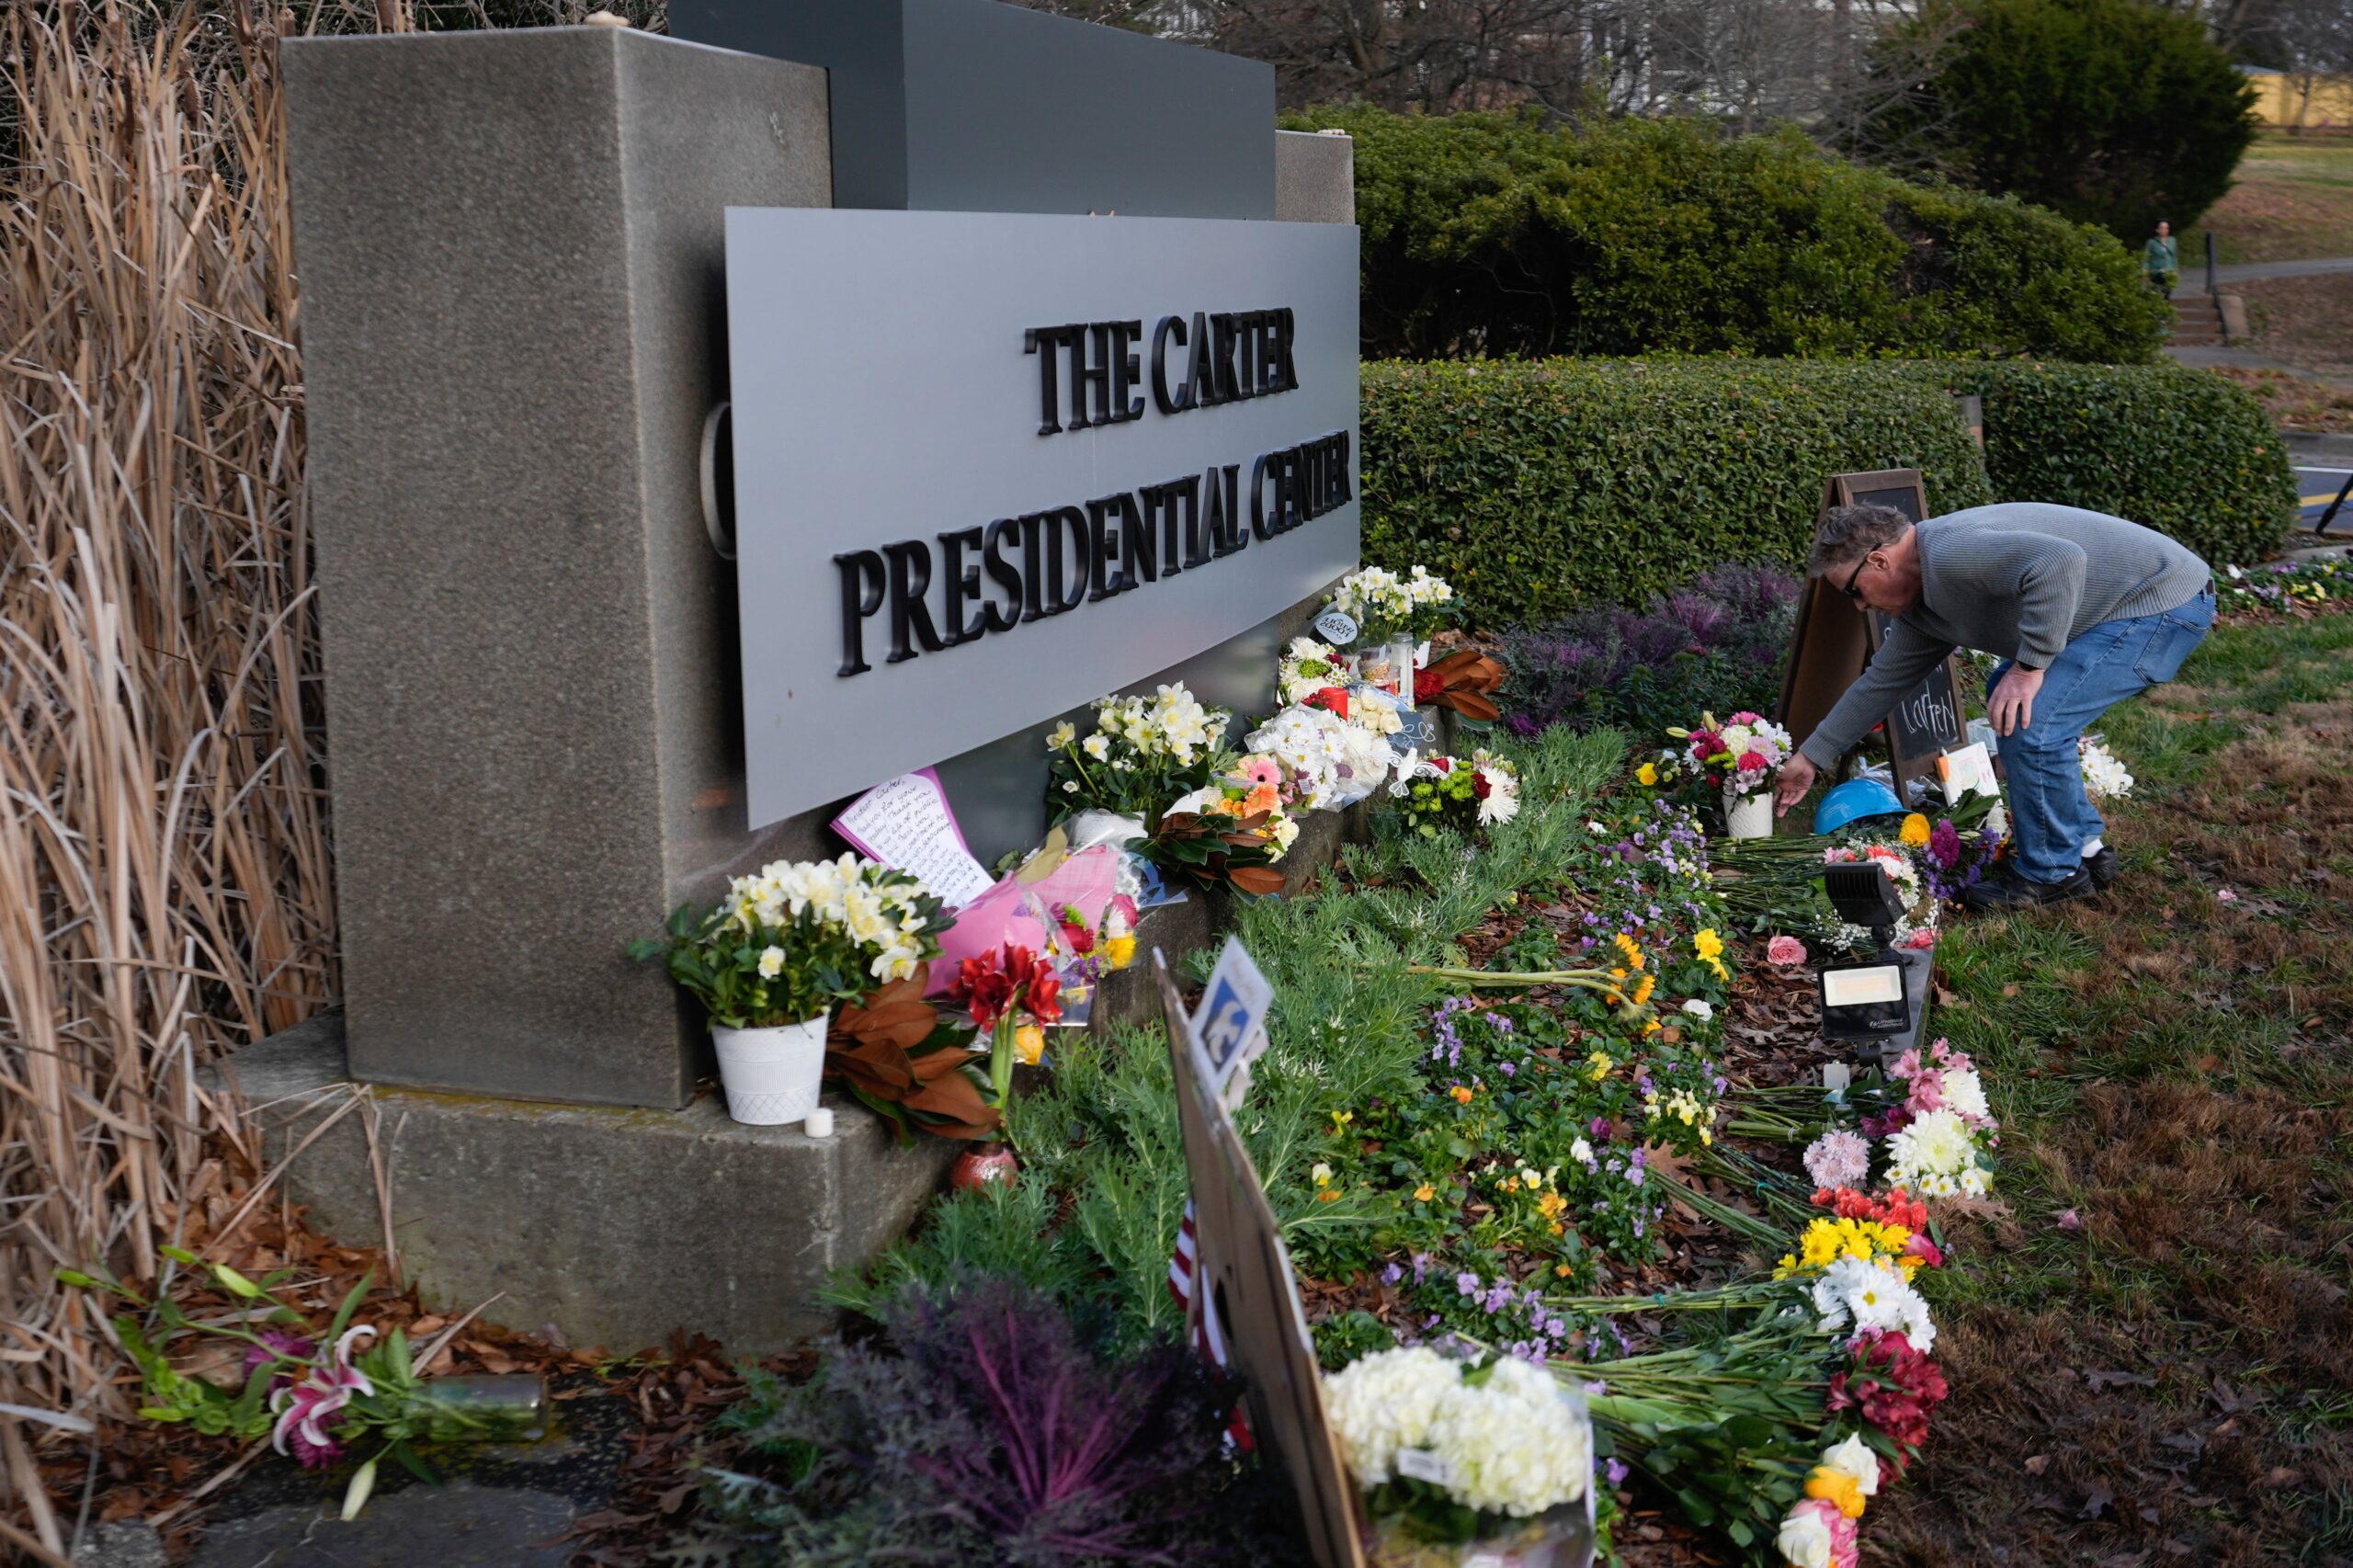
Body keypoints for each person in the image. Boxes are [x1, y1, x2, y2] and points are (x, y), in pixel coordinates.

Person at [1773, 502, 2213, 911]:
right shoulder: (1921, 607)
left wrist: (2030, 666)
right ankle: (2085, 850)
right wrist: (1813, 756)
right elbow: (1882, 682)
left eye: (1855, 591)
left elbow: (2060, 562)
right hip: (2126, 607)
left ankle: (2053, 874)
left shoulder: (1947, 553)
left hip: (2162, 601)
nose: (1860, 606)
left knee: (2033, 720)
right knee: (2011, 696)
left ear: (1879, 560)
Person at [2143, 220, 2179, 299]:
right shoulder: (2151, 242)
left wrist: (2176, 271)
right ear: (2157, 230)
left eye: (2166, 228)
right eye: (2162, 228)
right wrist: (2144, 272)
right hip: (2155, 271)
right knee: (2155, 293)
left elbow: (2174, 257)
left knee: (2167, 294)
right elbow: (2146, 259)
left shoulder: (2172, 241)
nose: (2164, 230)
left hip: (2169, 272)